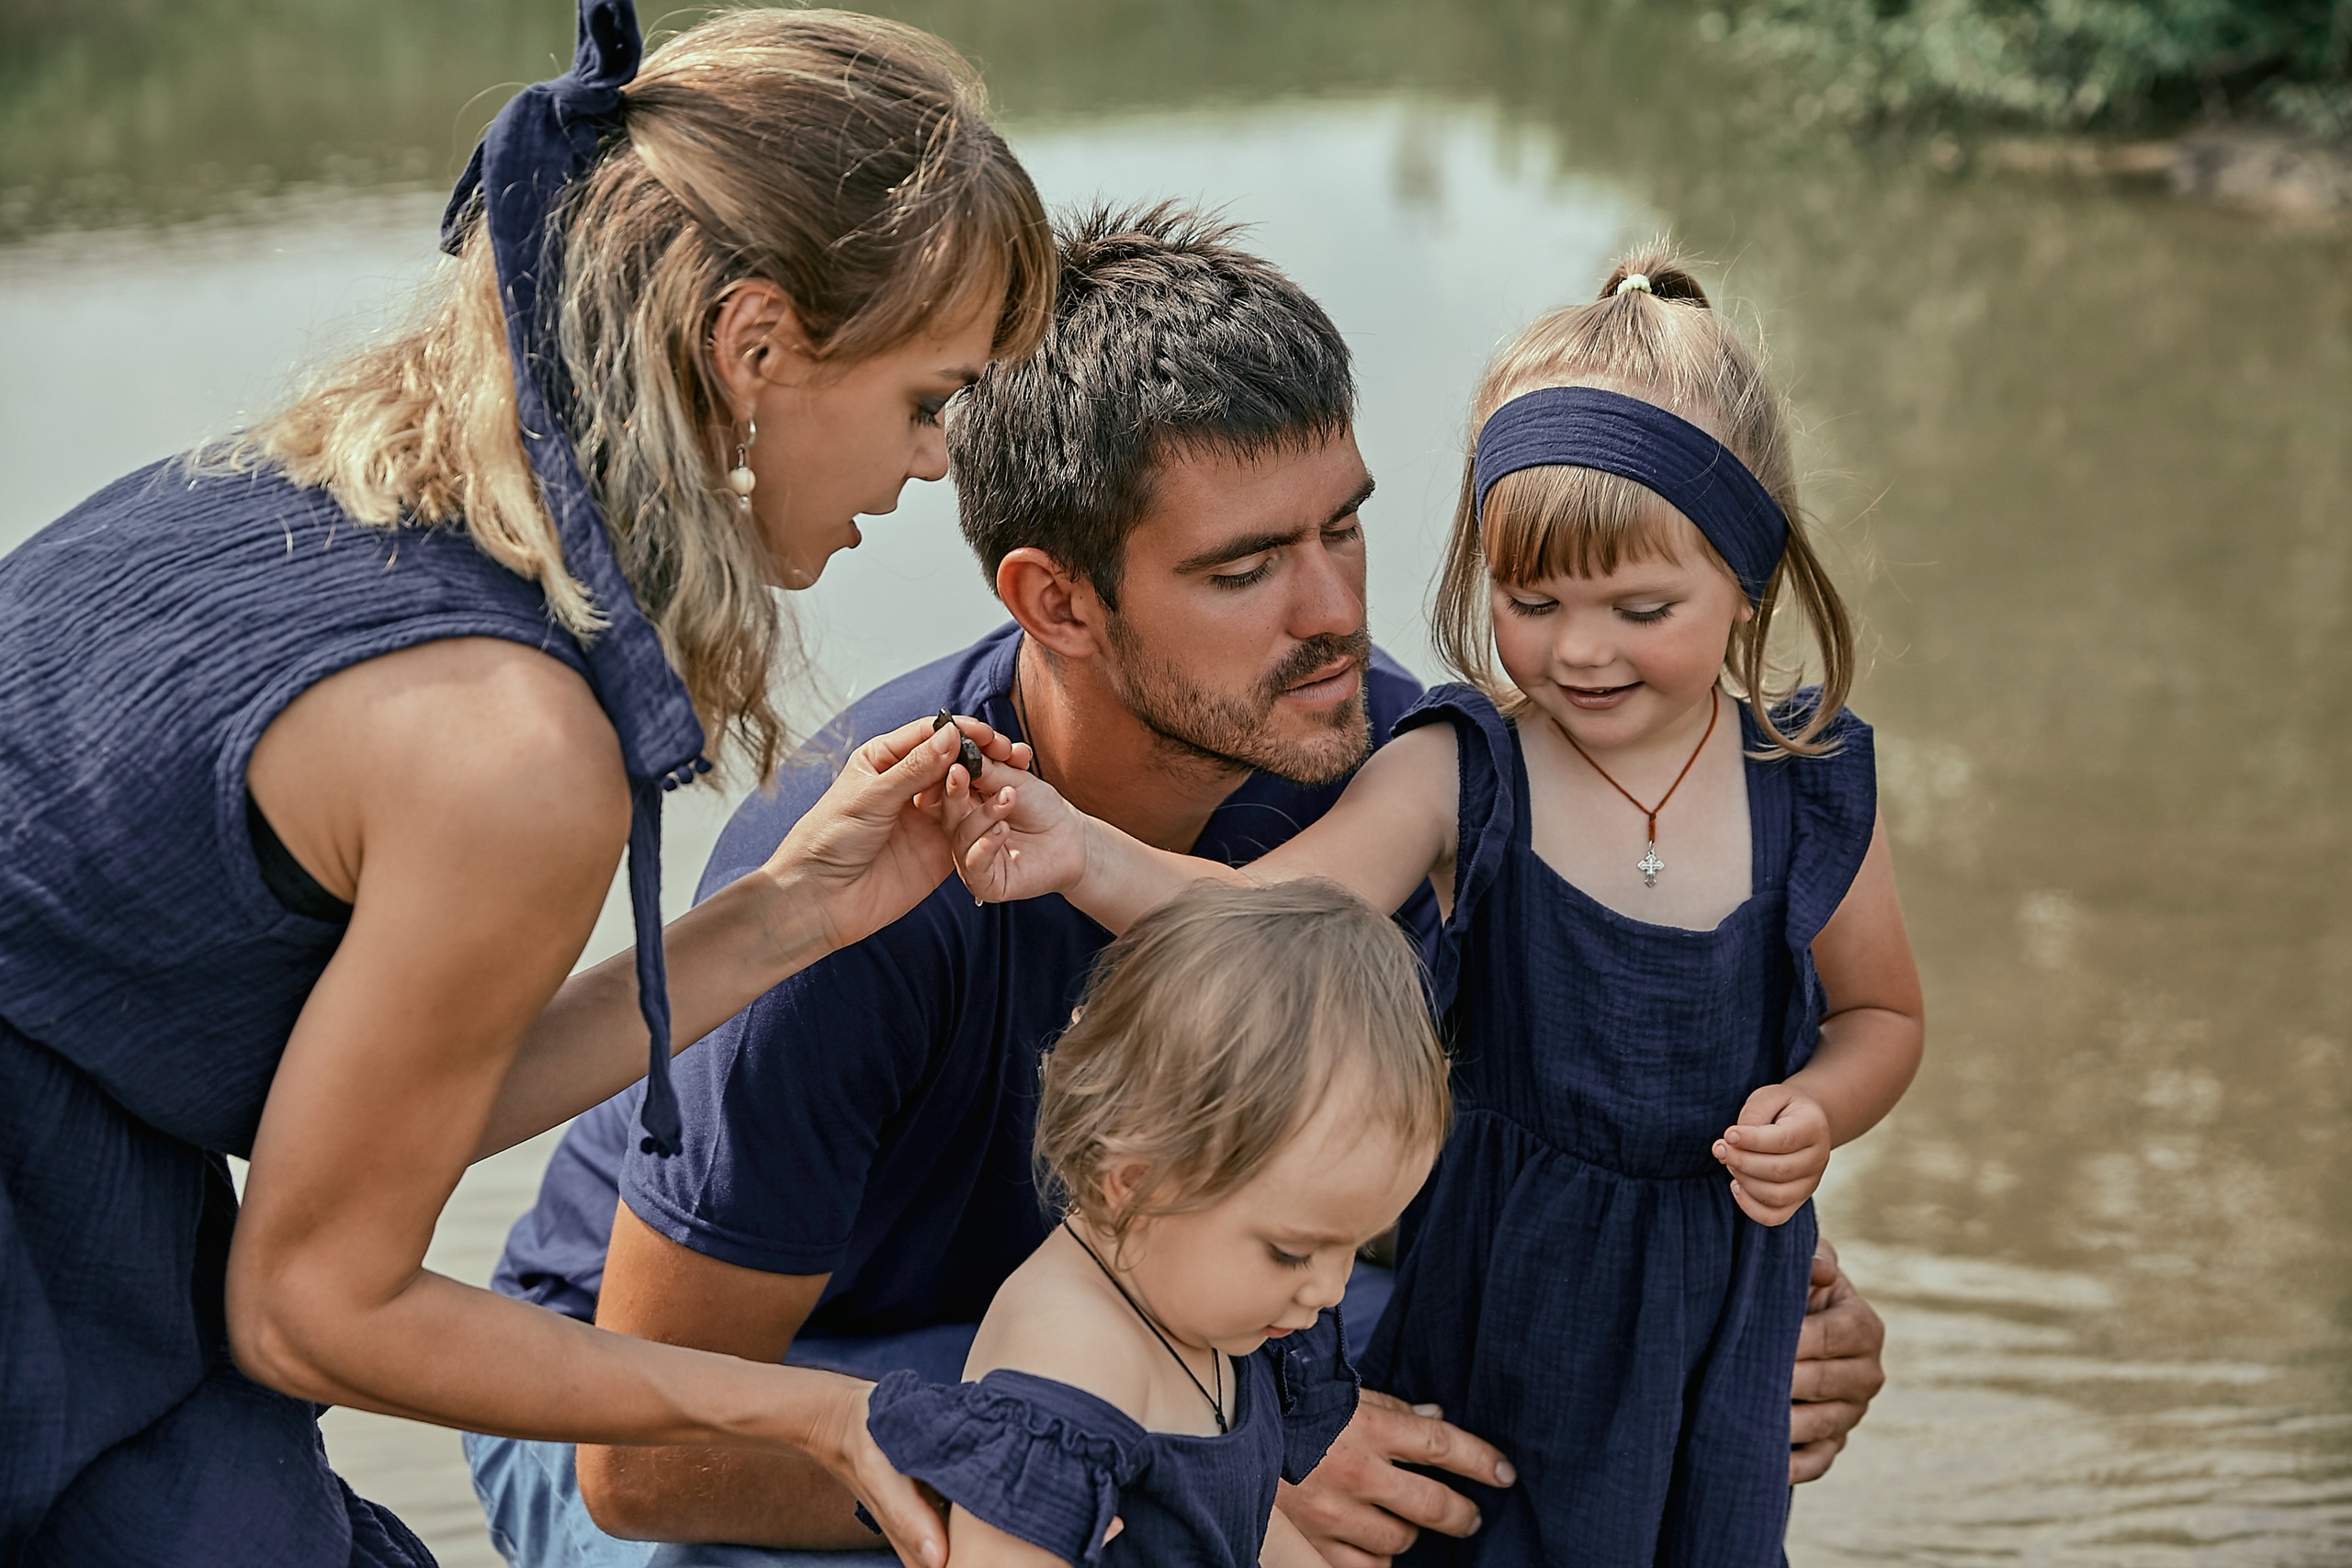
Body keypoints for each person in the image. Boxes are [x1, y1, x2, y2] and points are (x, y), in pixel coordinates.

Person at [470, 209, 1887, 1568]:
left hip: (1166, 1316)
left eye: (1343, 527)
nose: (1334, 608)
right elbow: (639, 1458)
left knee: (1458, 1425)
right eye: (1245, 567)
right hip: (709, 1388)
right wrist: (1215, 1450)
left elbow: (1515, 1186)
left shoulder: (1395, 789)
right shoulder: (874, 874)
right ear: (1057, 602)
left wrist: (1746, 1318)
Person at [0, 5, 1056, 1564]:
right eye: (929, 398)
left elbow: (367, 1129)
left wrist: (784, 915)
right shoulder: (515, 748)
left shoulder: (309, 489)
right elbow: (311, 1309)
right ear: (754, 346)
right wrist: (809, 1411)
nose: (939, 464)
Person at [953, 249, 1927, 1565]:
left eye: (1642, 607)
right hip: (1503, 1289)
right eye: (1533, 603)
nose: (1581, 650)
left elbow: (1880, 1011)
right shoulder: (1459, 768)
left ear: (1747, 578)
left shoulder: (1809, 785)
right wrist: (1077, 853)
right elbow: (1255, 911)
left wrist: (1821, 1109)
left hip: (1717, 1298)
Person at [866, 880, 1453, 1566]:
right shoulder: (1072, 1360)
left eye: (1358, 1244)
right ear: (1133, 1182)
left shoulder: (1206, 1306)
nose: (1330, 1287)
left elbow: (1238, 1511)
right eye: (1294, 1251)